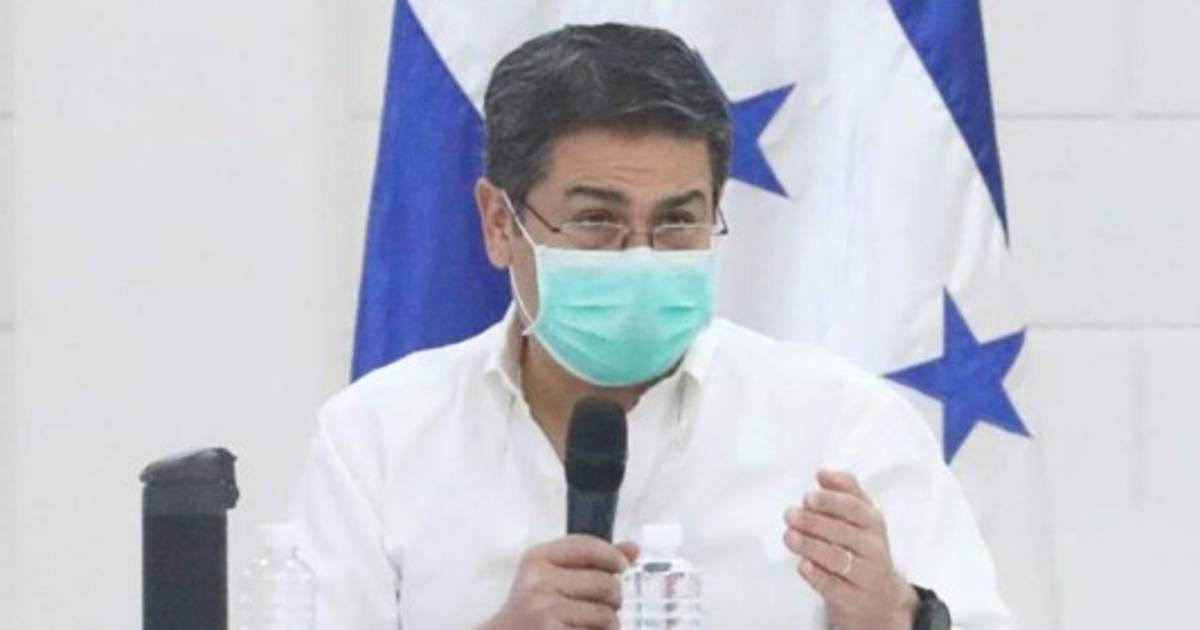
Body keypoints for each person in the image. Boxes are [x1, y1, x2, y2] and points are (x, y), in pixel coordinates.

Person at [289, 23, 1014, 630]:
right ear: (499, 222)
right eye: (596, 220)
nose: (640, 256)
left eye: (676, 222)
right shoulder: (378, 438)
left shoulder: (843, 429)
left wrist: (898, 616)